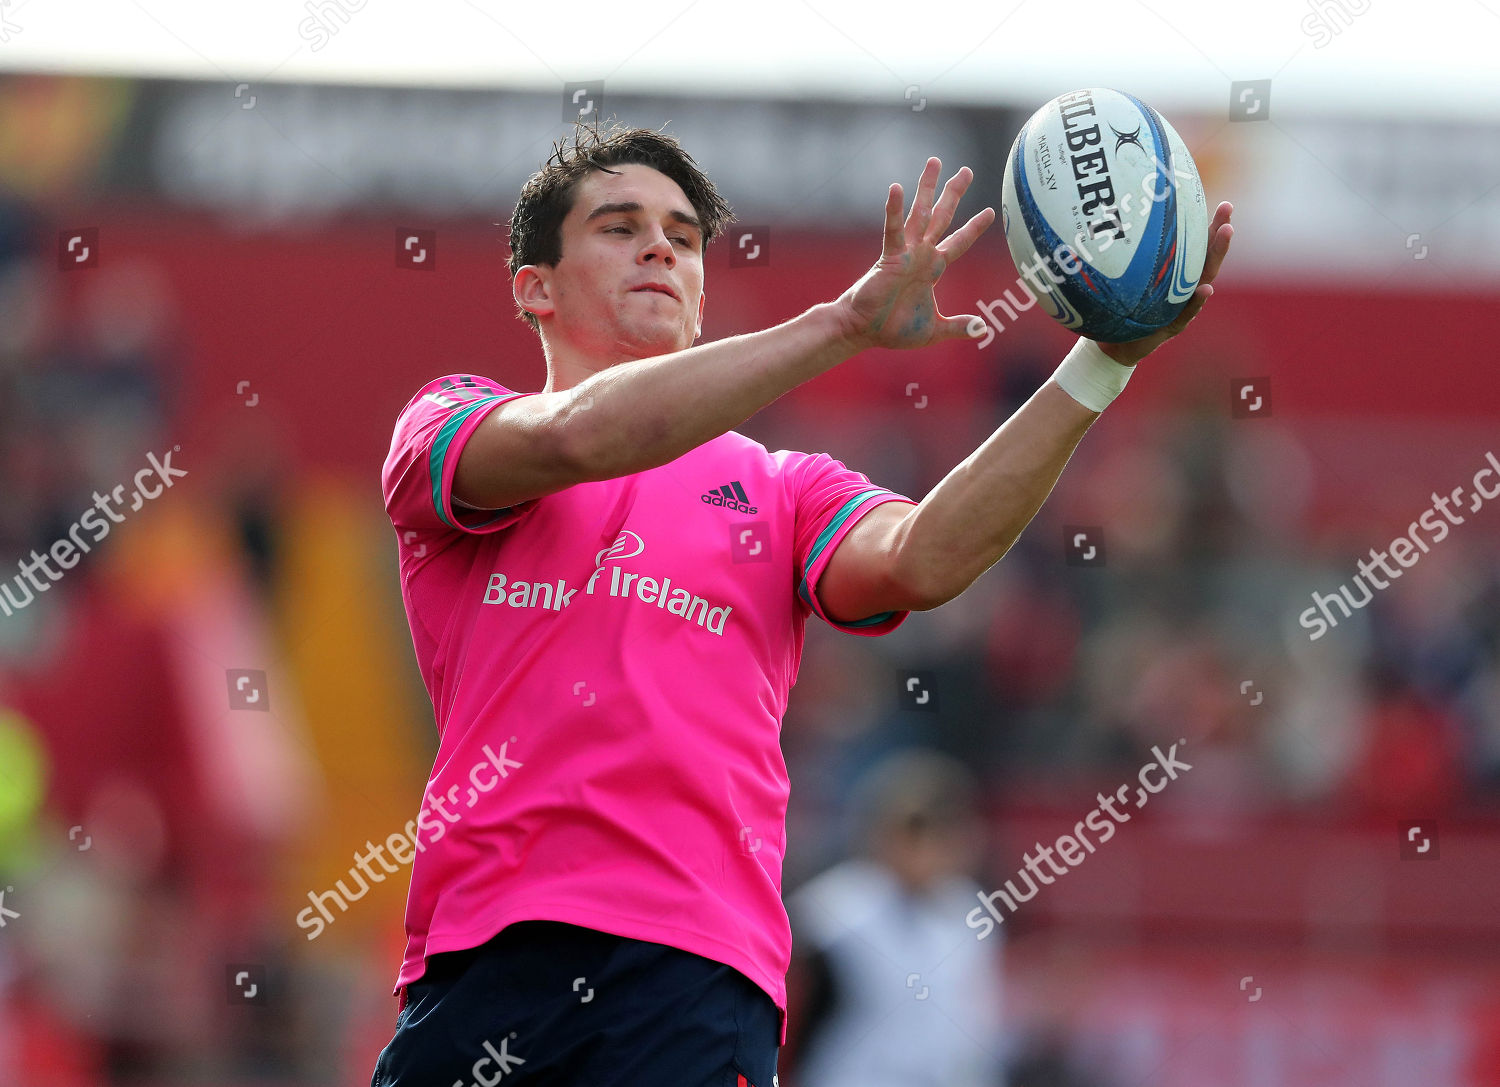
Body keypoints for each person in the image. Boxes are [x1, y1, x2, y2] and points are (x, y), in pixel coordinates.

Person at [372, 120, 1233, 1086]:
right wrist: (843, 324)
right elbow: (577, 437)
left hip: (697, 979)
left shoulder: (782, 490)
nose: (661, 245)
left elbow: (923, 556)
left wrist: (1103, 362)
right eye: (619, 227)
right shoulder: (450, 420)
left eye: (684, 236)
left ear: (701, 294)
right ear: (533, 286)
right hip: (490, 956)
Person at [786, 748, 1007, 1087]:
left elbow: (976, 1025)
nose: (926, 850)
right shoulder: (831, 911)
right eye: (914, 833)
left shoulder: (971, 913)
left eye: (941, 833)